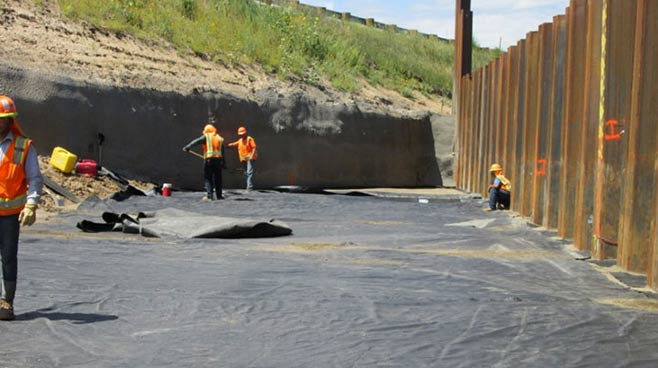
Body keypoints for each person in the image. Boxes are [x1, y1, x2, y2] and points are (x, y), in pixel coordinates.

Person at [0, 96, 43, 321]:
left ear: (10, 121)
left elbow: (34, 179)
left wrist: (31, 204)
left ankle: (6, 301)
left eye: (4, 119)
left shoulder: (23, 146)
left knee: (7, 257)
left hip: (9, 216)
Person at [182, 123, 225, 200]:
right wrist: (224, 163)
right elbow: (223, 152)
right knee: (218, 178)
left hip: (209, 160)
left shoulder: (207, 136)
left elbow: (196, 141)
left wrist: (187, 147)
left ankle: (210, 196)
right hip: (218, 160)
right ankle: (219, 196)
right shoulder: (219, 138)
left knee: (208, 178)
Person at [227, 126, 257, 191]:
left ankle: (249, 187)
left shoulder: (249, 139)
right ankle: (248, 185)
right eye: (240, 134)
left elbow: (254, 147)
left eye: (243, 134)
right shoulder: (240, 140)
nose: (242, 135)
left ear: (245, 133)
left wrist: (252, 155)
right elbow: (235, 143)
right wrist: (230, 145)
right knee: (246, 172)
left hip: (250, 158)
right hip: (244, 159)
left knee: (249, 172)